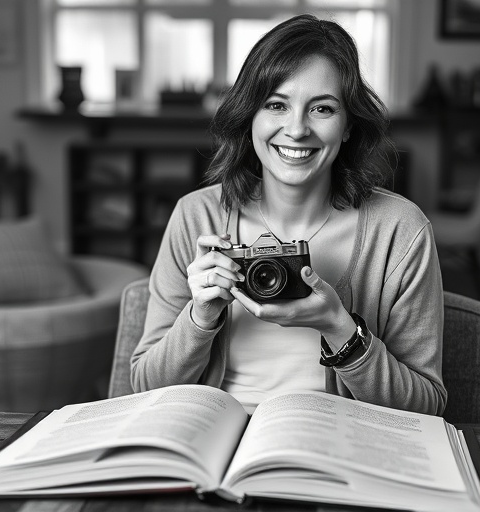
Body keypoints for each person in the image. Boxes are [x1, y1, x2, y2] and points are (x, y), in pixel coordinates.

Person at [131, 14, 445, 415]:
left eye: (322, 109)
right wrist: (200, 317)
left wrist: (339, 327)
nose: (296, 129)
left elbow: (426, 406)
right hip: (212, 431)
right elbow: (144, 387)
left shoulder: (400, 231)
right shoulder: (197, 217)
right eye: (276, 105)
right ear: (250, 116)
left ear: (348, 125)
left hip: (336, 437)